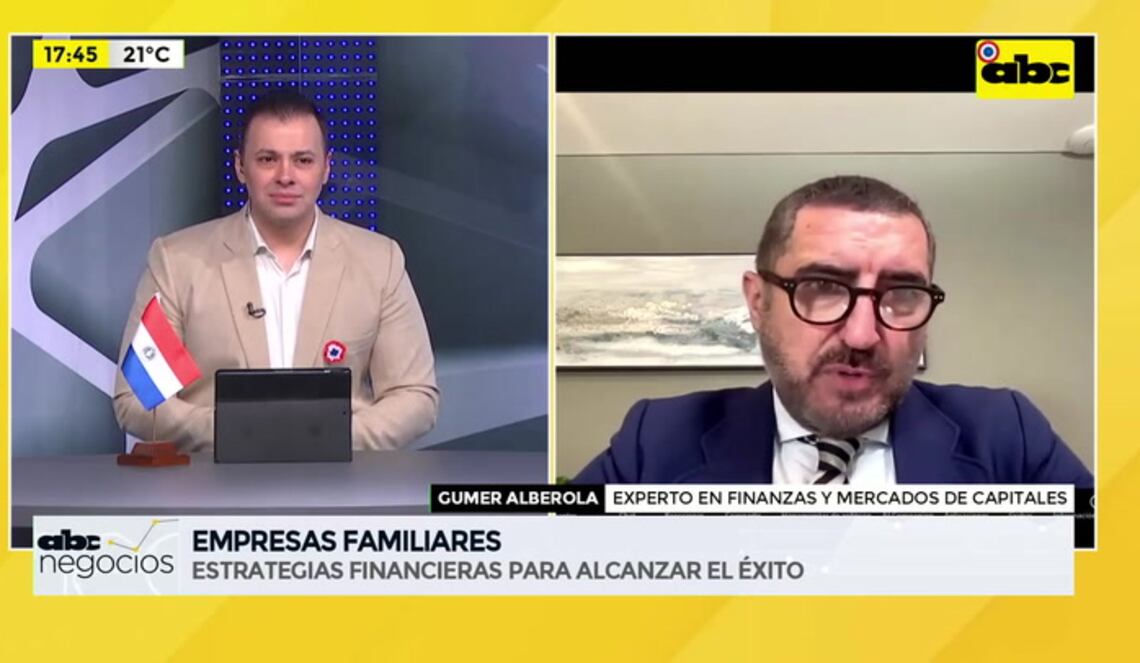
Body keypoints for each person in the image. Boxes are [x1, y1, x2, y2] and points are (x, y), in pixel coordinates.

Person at [575, 175, 1091, 486]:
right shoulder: (658, 440)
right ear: (758, 301)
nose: (862, 336)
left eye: (901, 292)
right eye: (822, 287)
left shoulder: (1006, 434)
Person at [113, 90, 439, 452]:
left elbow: (415, 396)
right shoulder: (177, 262)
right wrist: (238, 432)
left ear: (326, 168)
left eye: (303, 160)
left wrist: (328, 437)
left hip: (341, 478)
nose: (286, 176)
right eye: (268, 159)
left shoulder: (379, 261)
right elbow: (139, 398)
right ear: (240, 167)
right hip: (214, 480)